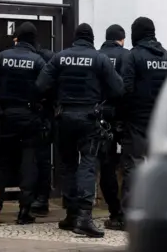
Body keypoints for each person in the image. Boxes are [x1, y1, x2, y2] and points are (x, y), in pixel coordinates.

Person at [35, 23, 124, 238]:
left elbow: (40, 85)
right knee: (88, 163)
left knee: (67, 165)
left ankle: (71, 213)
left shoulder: (59, 57)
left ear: (75, 38)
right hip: (89, 117)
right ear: (92, 39)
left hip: (63, 117)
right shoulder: (99, 59)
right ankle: (84, 217)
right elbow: (118, 88)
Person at [0, 22, 47, 224]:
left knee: (2, 162)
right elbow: (46, 88)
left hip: (6, 115)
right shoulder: (38, 61)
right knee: (29, 162)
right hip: (29, 116)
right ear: (33, 39)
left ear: (16, 37)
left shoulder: (2, 57)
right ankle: (24, 211)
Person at [120, 17, 167, 219]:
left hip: (137, 120)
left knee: (133, 165)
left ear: (136, 33)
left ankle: (130, 214)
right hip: (160, 120)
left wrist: (122, 115)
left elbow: (126, 89)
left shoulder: (134, 56)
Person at [12, 31, 55, 217]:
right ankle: (40, 200)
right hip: (42, 115)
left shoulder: (41, 58)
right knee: (40, 159)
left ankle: (39, 200)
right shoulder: (47, 57)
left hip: (38, 114)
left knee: (36, 159)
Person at [97, 24, 130, 231]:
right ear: (122, 39)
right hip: (125, 118)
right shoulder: (129, 56)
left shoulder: (97, 56)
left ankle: (114, 211)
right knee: (129, 165)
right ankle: (127, 212)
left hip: (101, 117)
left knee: (106, 166)